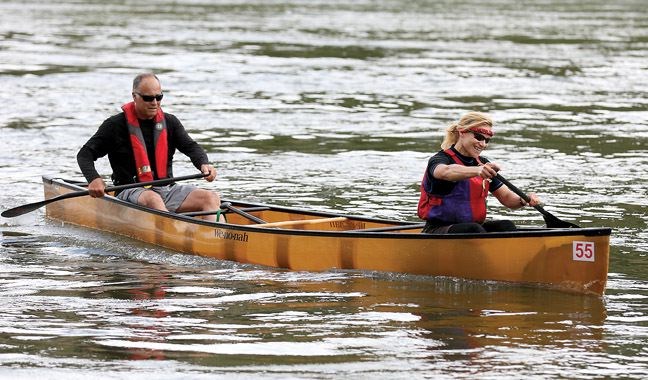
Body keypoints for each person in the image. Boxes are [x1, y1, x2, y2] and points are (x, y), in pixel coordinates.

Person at [77, 72, 221, 221]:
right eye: (148, 98)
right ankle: (176, 234)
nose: (154, 102)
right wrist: (93, 179)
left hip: (167, 190)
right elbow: (84, 154)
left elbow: (191, 147)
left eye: (159, 97)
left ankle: (217, 239)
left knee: (211, 197)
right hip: (129, 191)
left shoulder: (170, 122)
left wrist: (204, 163)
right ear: (134, 96)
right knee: (153, 199)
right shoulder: (114, 125)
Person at [417, 111, 540, 234]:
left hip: (471, 229)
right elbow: (444, 172)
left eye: (487, 140)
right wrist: (477, 170)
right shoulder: (440, 159)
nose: (483, 144)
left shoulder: (483, 164)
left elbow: (508, 199)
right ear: (462, 132)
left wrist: (524, 200)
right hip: (437, 230)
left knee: (505, 226)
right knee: (473, 229)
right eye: (479, 137)